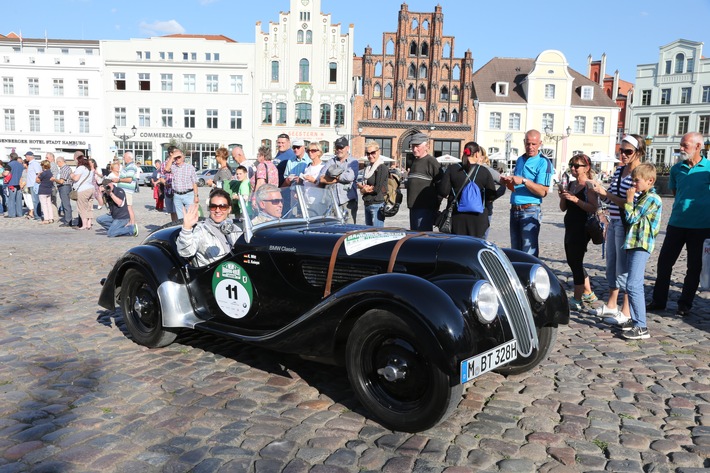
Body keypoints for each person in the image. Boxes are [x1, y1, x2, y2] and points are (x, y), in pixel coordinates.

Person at [648, 132, 710, 317]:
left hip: (701, 226)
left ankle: (685, 304)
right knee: (664, 263)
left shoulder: (708, 168)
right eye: (681, 145)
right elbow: (676, 192)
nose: (681, 148)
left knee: (694, 267)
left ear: (698, 147)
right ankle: (659, 301)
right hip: (677, 224)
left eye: (685, 145)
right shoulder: (676, 169)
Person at [592, 134, 645, 324]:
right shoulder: (619, 171)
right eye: (620, 151)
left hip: (626, 224)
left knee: (624, 268)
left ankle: (626, 310)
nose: (622, 155)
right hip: (613, 222)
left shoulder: (639, 175)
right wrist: (600, 192)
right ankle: (612, 305)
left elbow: (631, 204)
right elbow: (610, 198)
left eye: (627, 151)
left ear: (638, 152)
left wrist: (607, 194)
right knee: (612, 265)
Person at [617, 163, 662, 340]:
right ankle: (636, 320)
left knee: (634, 284)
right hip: (634, 244)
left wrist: (628, 201)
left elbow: (632, 217)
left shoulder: (652, 199)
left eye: (637, 181)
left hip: (641, 245)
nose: (633, 184)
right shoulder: (644, 196)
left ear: (650, 181)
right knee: (630, 283)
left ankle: (641, 326)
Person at [499, 130, 553, 257]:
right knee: (515, 252)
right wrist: (508, 182)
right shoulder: (520, 159)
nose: (530, 147)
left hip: (530, 210)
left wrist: (524, 181)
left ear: (540, 144)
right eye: (528, 144)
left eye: (534, 144)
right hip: (514, 209)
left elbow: (543, 192)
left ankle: (530, 277)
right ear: (524, 142)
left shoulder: (543, 162)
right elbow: (516, 187)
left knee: (529, 254)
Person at [558, 154, 600, 311]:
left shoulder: (589, 185)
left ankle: (577, 299)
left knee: (576, 262)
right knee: (572, 260)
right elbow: (563, 208)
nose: (573, 168)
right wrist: (563, 197)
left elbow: (593, 208)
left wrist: (576, 200)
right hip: (570, 226)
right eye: (572, 165)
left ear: (586, 168)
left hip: (582, 228)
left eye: (577, 166)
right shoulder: (571, 184)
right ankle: (588, 292)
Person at [437, 141, 498, 238]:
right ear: (477, 154)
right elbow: (491, 195)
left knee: (457, 247)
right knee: (476, 247)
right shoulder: (484, 171)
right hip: (478, 219)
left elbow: (443, 191)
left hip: (457, 217)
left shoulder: (453, 169)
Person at [176, 188, 243, 267]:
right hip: (212, 274)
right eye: (213, 206)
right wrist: (186, 229)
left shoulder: (235, 229)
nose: (217, 210)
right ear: (209, 208)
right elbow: (185, 252)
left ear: (229, 209)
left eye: (223, 207)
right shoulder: (201, 230)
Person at [406, 133, 441, 231]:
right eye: (412, 146)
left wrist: (435, 205)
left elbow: (440, 185)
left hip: (425, 208)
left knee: (423, 238)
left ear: (427, 146)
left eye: (417, 146)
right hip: (413, 207)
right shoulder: (414, 161)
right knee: (415, 238)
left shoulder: (431, 161)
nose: (414, 149)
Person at [320, 137, 358, 223]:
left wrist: (332, 175)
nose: (339, 150)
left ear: (347, 148)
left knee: (349, 229)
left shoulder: (353, 161)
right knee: (334, 229)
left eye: (341, 148)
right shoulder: (331, 161)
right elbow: (321, 178)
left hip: (348, 202)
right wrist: (336, 179)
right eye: (337, 148)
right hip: (333, 202)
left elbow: (349, 177)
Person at [163, 147, 199, 220]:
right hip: (177, 195)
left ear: (183, 157)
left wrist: (196, 196)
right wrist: (172, 156)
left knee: (190, 216)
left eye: (179, 157)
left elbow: (194, 182)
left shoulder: (189, 167)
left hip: (188, 195)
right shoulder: (173, 167)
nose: (177, 159)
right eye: (176, 157)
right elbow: (166, 169)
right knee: (180, 218)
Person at [359, 140, 389, 227]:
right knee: (369, 233)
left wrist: (364, 190)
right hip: (367, 203)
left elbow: (377, 189)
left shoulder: (382, 167)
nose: (370, 155)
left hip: (377, 204)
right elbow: (363, 185)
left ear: (378, 152)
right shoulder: (368, 168)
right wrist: (364, 189)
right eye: (368, 153)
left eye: (373, 153)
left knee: (377, 233)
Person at [478, 147, 506, 240]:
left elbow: (503, 184)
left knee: (481, 239)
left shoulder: (488, 170)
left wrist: (492, 198)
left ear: (482, 157)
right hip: (468, 210)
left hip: (485, 209)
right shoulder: (468, 168)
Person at [71, 155, 95, 230]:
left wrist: (71, 174)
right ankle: (89, 224)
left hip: (82, 189)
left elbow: (76, 178)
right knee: (89, 207)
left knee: (82, 208)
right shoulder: (90, 169)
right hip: (91, 188)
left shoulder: (81, 168)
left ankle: (84, 225)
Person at [117, 152, 138, 225]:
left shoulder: (131, 166)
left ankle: (132, 223)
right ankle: (129, 222)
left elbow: (129, 179)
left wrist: (118, 180)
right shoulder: (126, 166)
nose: (123, 158)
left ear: (129, 157)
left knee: (129, 207)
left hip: (127, 190)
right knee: (126, 207)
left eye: (124, 157)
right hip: (124, 189)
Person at [159, 146, 179, 223]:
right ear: (171, 153)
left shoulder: (177, 163)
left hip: (176, 190)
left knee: (177, 210)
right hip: (168, 190)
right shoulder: (164, 164)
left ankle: (179, 225)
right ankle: (174, 225)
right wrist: (164, 182)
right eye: (175, 152)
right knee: (171, 211)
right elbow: (161, 176)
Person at [54, 156, 74, 227]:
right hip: (65, 187)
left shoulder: (64, 169)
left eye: (57, 163)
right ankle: (68, 219)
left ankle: (68, 221)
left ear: (60, 162)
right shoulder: (66, 168)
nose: (57, 164)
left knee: (66, 204)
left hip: (64, 187)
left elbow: (62, 181)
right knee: (66, 203)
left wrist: (54, 179)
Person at [5, 153, 24, 218]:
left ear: (10, 157)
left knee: (11, 199)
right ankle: (19, 213)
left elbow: (6, 173)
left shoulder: (9, 164)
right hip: (19, 183)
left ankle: (12, 214)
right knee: (19, 199)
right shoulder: (21, 165)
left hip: (12, 183)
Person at [25, 151, 43, 221]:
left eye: (26, 156)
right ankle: (36, 214)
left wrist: (37, 182)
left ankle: (37, 215)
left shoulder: (34, 164)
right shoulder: (31, 164)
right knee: (34, 200)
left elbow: (38, 173)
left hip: (34, 184)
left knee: (36, 200)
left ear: (29, 156)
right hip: (32, 184)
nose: (26, 158)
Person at [36, 160, 54, 224]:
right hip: (49, 190)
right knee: (49, 204)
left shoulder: (43, 173)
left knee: (44, 205)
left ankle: (46, 219)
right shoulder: (50, 172)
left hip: (42, 190)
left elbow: (37, 181)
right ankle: (51, 218)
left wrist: (38, 175)